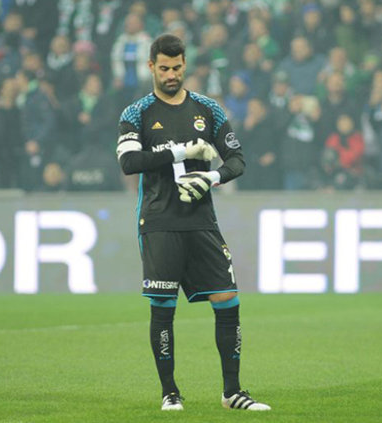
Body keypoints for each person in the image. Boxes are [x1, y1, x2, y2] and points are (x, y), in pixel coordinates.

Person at [115, 33, 270, 412]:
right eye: (164, 68)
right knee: (163, 306)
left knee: (228, 299)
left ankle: (232, 392)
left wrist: (211, 177)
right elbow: (129, 162)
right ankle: (170, 393)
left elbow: (237, 160)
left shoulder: (208, 109)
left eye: (177, 68)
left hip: (202, 221)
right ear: (151, 67)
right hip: (159, 220)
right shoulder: (136, 113)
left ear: (185, 65)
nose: (171, 75)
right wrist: (181, 151)